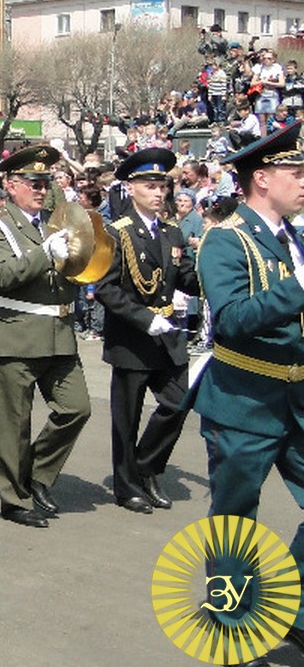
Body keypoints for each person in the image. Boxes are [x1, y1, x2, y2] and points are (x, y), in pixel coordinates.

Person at [189, 121, 304, 662]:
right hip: (242, 400)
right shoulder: (225, 239)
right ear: (262, 178)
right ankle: (232, 626)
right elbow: (231, 319)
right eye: (295, 172)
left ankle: (294, 613)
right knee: (236, 520)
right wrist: (298, 289)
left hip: (296, 401)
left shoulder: (295, 238)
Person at [0, 145, 92, 528]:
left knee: (76, 408)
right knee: (15, 423)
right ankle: (13, 497)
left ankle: (38, 476)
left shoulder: (55, 223)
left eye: (46, 182)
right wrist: (44, 253)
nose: (41, 189)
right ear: (11, 186)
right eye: (33, 182)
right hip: (16, 337)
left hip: (58, 335)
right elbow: (2, 275)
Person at [93, 148, 199, 514]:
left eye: (162, 187)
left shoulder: (171, 232)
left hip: (167, 333)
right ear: (131, 189)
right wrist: (143, 318)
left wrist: (211, 276)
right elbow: (104, 288)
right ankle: (127, 487)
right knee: (127, 417)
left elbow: (184, 275)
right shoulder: (117, 233)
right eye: (150, 186)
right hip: (133, 337)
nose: (158, 193)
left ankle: (146, 467)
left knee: (178, 401)